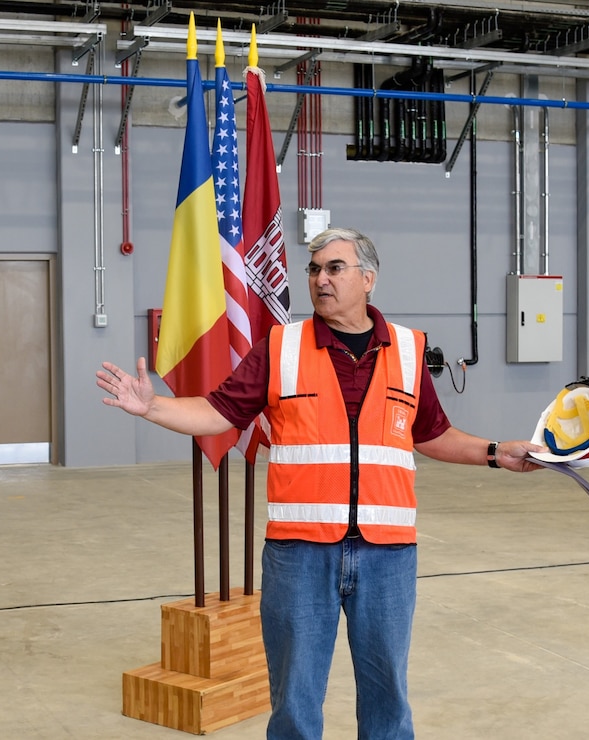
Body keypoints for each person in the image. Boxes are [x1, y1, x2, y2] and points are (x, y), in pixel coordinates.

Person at [96, 227, 545, 740]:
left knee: (388, 700)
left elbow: (432, 434)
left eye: (335, 268)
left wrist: (496, 452)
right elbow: (217, 412)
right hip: (300, 555)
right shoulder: (280, 348)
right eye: (314, 270)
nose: (320, 279)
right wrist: (151, 405)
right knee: (294, 700)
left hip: (388, 555)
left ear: (368, 279)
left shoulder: (406, 349)